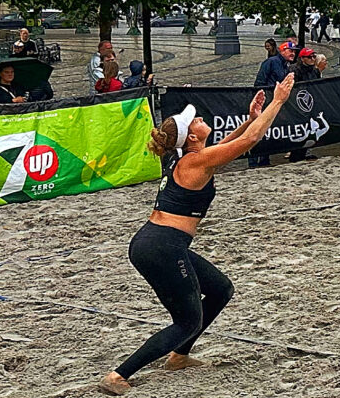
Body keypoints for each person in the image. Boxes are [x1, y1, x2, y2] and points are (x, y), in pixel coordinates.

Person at [98, 73, 295, 394]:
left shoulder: (191, 158)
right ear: (191, 138)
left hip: (158, 243)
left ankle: (179, 356)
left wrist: (250, 119)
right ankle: (119, 375)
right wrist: (278, 102)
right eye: (196, 120)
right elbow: (247, 144)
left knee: (220, 290)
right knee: (187, 320)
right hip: (161, 247)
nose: (200, 118)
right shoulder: (194, 162)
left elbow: (227, 146)